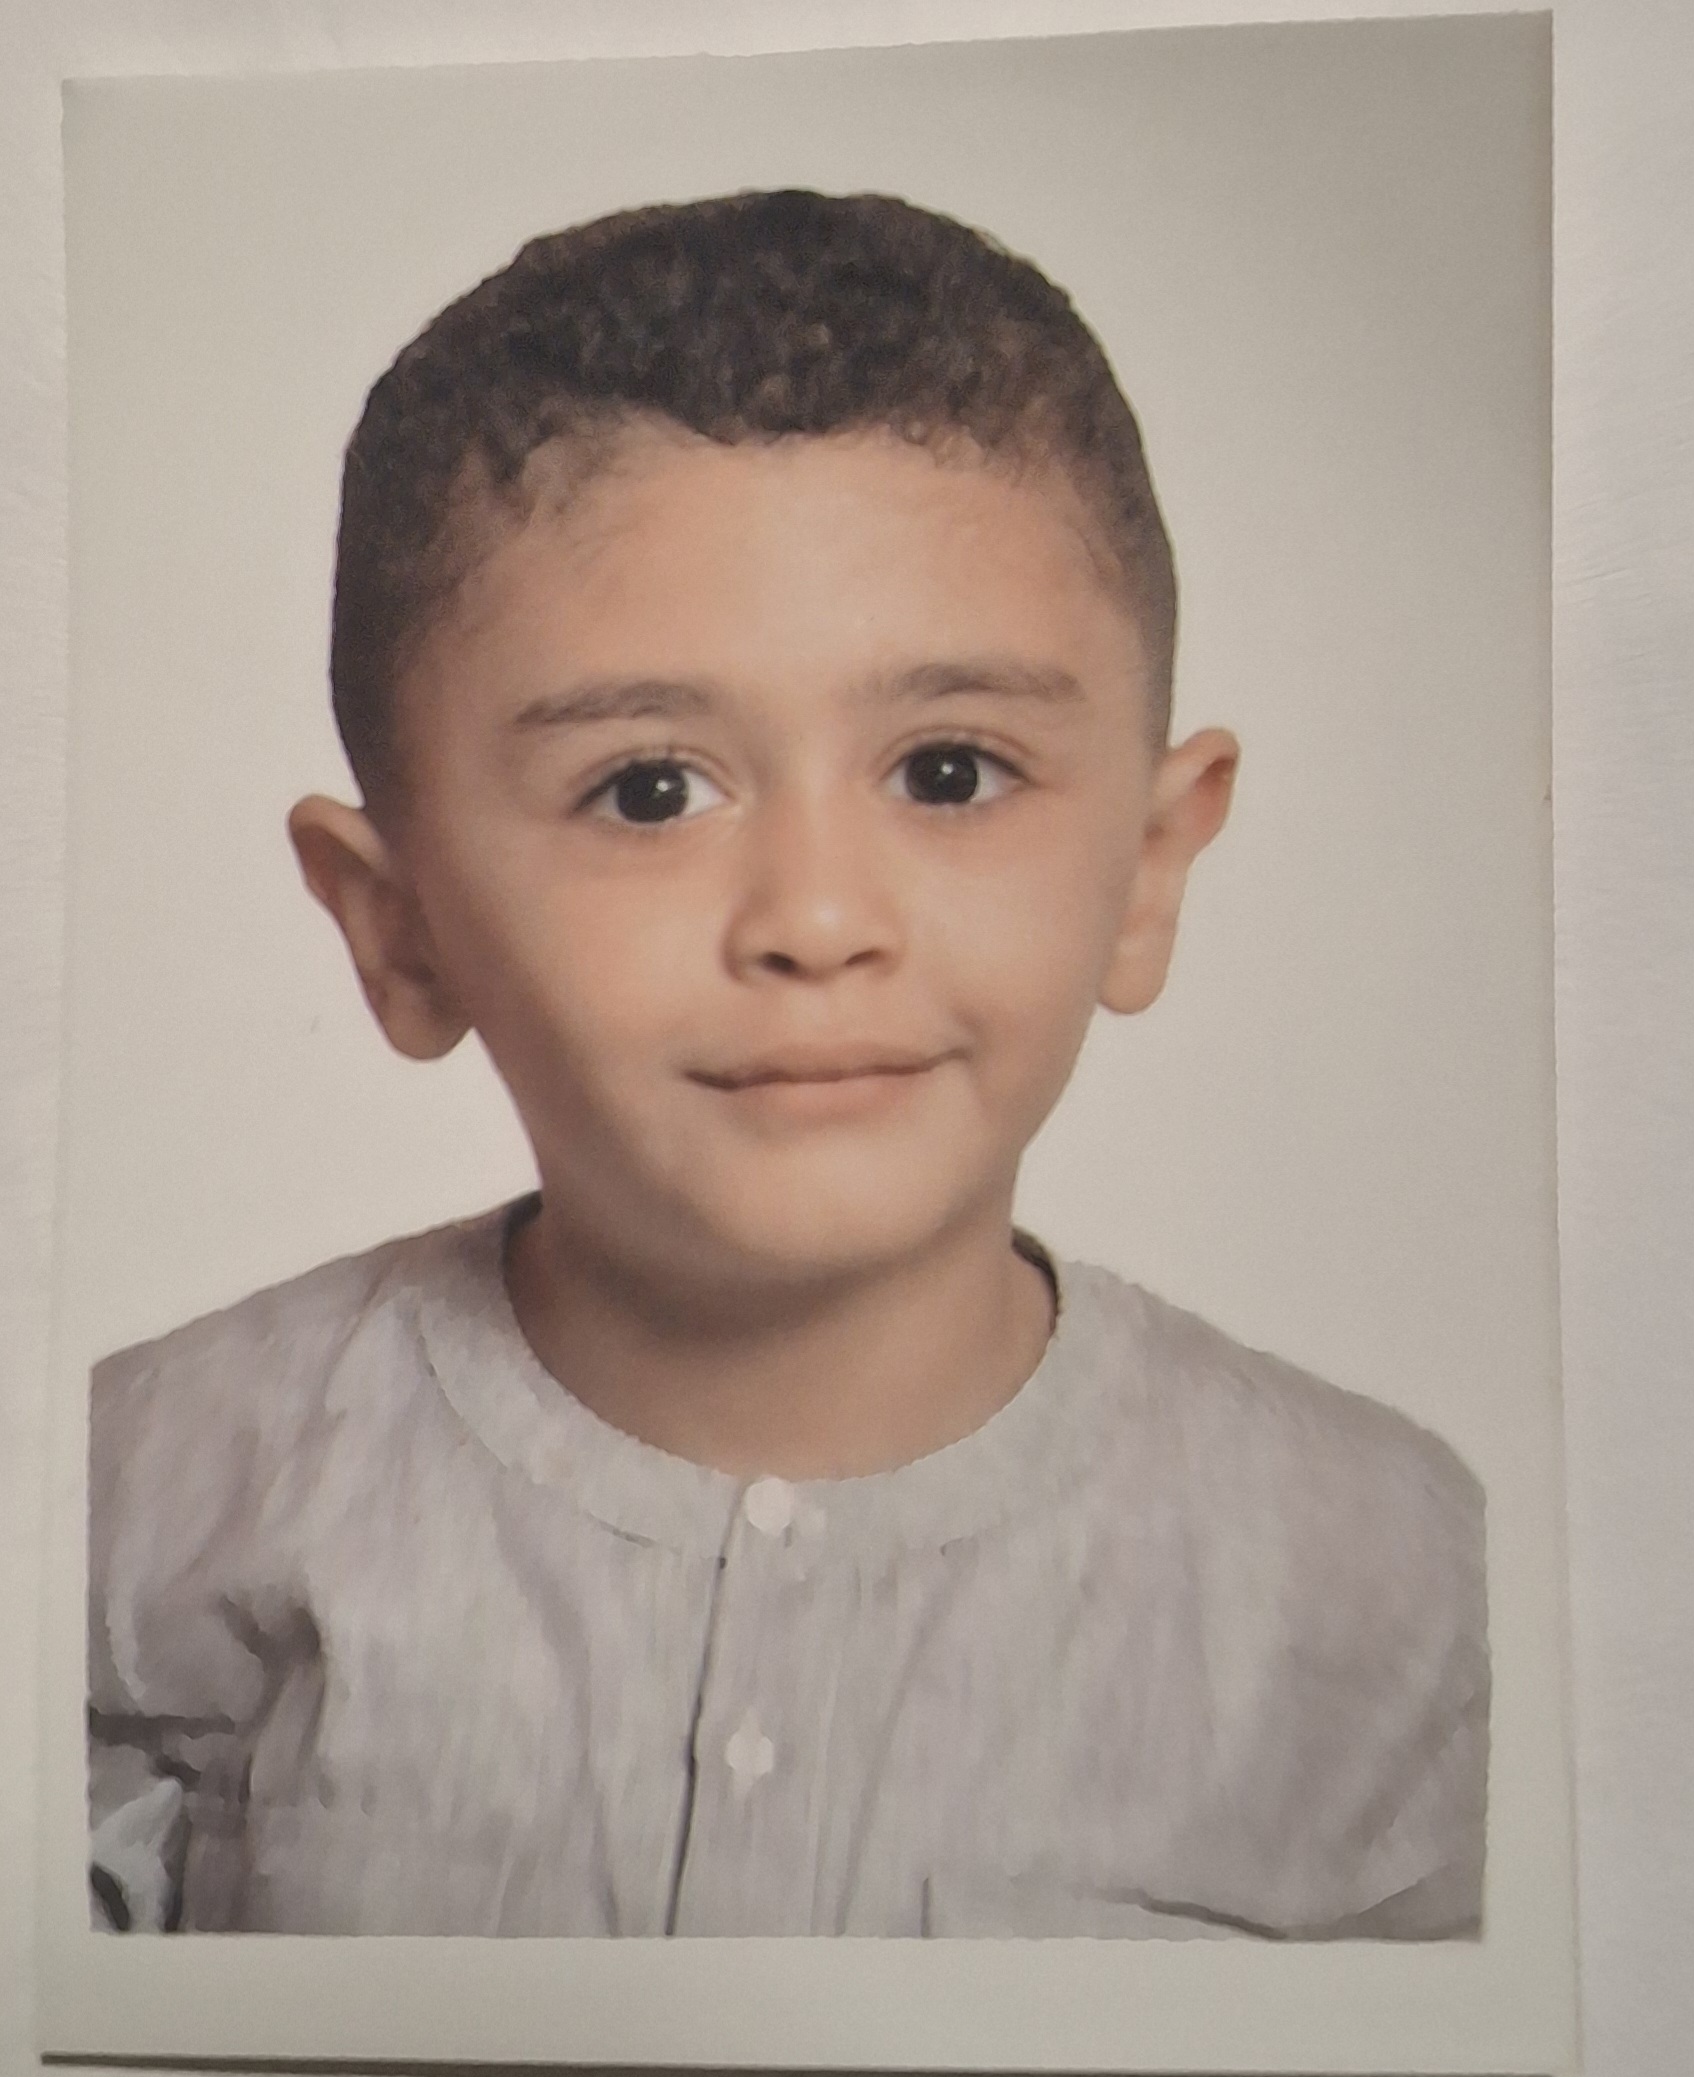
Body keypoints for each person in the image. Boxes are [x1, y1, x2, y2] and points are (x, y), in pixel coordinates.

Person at [87, 189, 1487, 1940]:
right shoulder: (129, 1500)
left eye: (949, 772)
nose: (816, 919)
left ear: (1147, 869)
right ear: (401, 926)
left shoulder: (1396, 1586)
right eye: (648, 790)